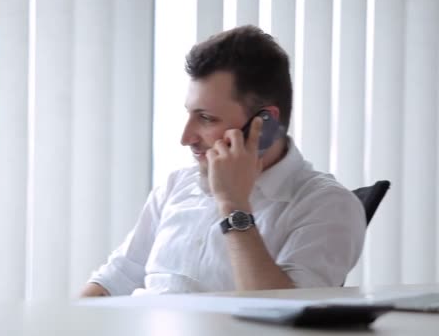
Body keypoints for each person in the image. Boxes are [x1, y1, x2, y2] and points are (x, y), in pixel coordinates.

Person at [81, 25, 366, 297]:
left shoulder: (326, 205)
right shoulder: (177, 185)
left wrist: (233, 206)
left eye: (206, 118)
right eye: (190, 114)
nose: (186, 137)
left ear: (264, 126)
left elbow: (287, 319)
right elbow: (113, 281)